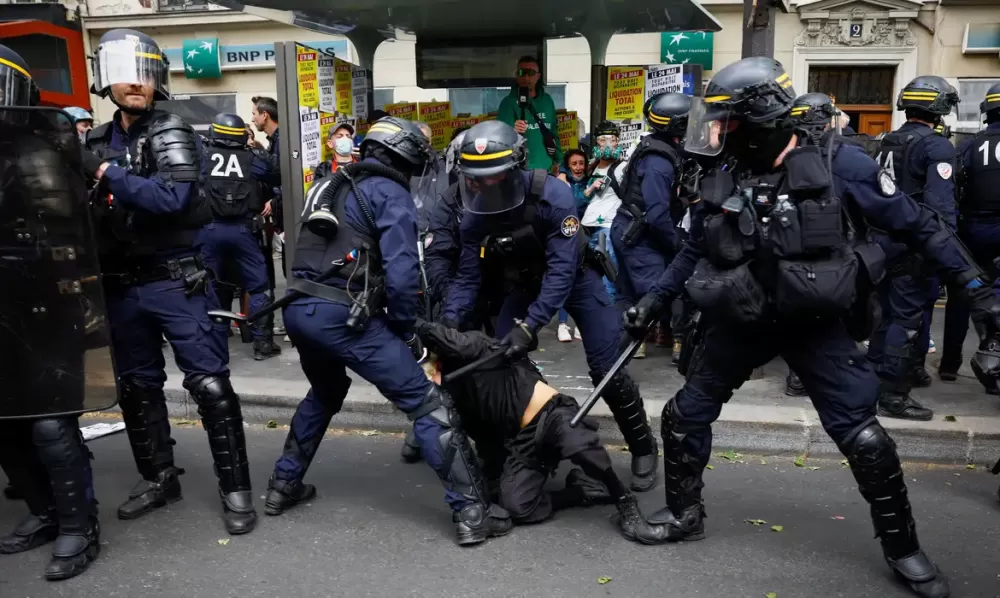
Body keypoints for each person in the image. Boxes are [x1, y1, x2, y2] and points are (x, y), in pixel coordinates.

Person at [622, 56, 998, 598]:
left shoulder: (840, 163)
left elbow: (921, 226)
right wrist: (654, 300)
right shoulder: (723, 171)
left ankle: (903, 548)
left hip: (813, 322)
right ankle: (684, 515)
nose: (717, 132)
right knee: (684, 417)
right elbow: (694, 247)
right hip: (741, 316)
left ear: (761, 120)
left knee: (863, 437)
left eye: (728, 121)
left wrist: (979, 292)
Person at [263, 116, 513, 546]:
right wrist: (406, 330)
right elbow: (401, 277)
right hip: (343, 317)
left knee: (325, 392)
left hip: (299, 310)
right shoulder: (389, 192)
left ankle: (282, 484)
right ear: (407, 156)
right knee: (427, 403)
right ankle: (473, 512)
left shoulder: (328, 185)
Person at [82, 28, 258, 535]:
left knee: (210, 385)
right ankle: (159, 478)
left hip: (175, 281)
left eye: (144, 73)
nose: (135, 83)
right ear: (107, 78)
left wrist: (105, 173)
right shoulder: (96, 140)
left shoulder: (171, 130)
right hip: (120, 283)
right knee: (137, 388)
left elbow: (170, 199)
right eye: (125, 73)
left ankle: (236, 489)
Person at [441, 119, 659, 493]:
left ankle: (642, 445)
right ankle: (524, 445)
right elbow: (467, 277)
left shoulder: (552, 195)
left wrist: (531, 325)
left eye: (493, 178)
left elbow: (562, 271)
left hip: (577, 280)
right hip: (526, 284)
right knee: (499, 361)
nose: (484, 186)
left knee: (606, 367)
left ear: (516, 169)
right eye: (477, 179)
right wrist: (448, 323)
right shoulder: (476, 211)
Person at [0, 44, 110, 581]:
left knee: (49, 421)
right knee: (5, 420)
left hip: (44, 300)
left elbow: (63, 227)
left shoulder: (40, 151)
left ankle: (78, 524)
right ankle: (44, 511)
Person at [415, 320, 669, 543]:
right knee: (518, 506)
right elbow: (484, 438)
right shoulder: (448, 396)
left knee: (578, 443)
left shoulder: (472, 347)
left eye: (430, 368)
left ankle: (623, 498)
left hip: (551, 415)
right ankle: (582, 490)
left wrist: (409, 322)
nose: (429, 376)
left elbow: (453, 339)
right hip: (521, 440)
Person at [865, 76, 960, 421]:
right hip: (912, 244)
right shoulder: (937, 146)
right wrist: (946, 252)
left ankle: (874, 385)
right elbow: (940, 207)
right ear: (939, 107)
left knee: (883, 316)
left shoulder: (884, 140)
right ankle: (893, 395)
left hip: (879, 242)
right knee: (905, 321)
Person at [610, 96, 692, 361]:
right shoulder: (659, 162)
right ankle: (610, 367)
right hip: (640, 238)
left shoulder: (657, 148)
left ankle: (607, 361)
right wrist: (676, 244)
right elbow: (657, 215)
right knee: (650, 303)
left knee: (628, 300)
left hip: (630, 230)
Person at [199, 113, 282, 360]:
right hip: (244, 230)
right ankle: (262, 344)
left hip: (210, 230)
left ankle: (215, 344)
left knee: (212, 285)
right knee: (259, 287)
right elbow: (276, 174)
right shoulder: (252, 158)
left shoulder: (202, 156)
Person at [780, 92, 842, 397]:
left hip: (792, 245)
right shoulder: (841, 154)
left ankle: (799, 374)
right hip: (828, 245)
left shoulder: (784, 154)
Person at [942, 82, 1000, 386]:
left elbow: (952, 188)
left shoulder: (968, 146)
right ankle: (994, 369)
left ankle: (950, 364)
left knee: (961, 296)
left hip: (973, 233)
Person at [497, 56, 562, 172]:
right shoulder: (507, 103)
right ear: (516, 75)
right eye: (521, 73)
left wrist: (559, 160)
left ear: (538, 76)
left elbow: (553, 132)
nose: (526, 78)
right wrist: (513, 131)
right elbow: (500, 139)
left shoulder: (547, 100)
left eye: (531, 73)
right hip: (519, 170)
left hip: (546, 168)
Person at [557, 148, 590, 342]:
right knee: (565, 279)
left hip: (586, 236)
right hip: (566, 235)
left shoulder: (590, 180)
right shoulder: (562, 183)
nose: (578, 167)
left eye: (581, 163)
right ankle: (562, 324)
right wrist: (562, 173)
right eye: (574, 164)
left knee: (584, 280)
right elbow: (576, 203)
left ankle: (580, 324)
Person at [251, 95, 281, 284]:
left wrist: (276, 197)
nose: (252, 118)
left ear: (265, 115)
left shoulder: (283, 141)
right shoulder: (273, 142)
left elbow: (287, 174)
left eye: (254, 113)